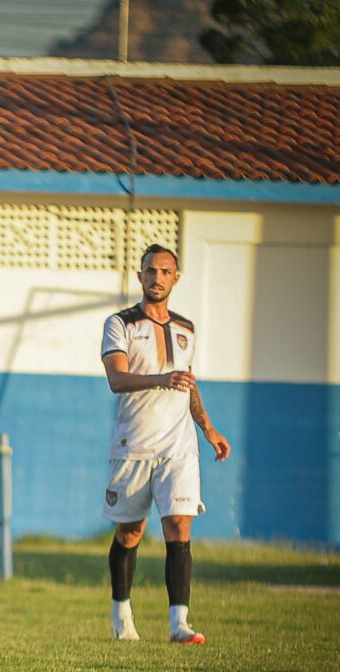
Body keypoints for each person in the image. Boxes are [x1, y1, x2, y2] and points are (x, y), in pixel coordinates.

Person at [100, 244, 230, 644]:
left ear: (176, 278)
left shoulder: (187, 328)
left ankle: (179, 624)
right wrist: (161, 379)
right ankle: (121, 613)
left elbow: (187, 382)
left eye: (165, 271)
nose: (157, 278)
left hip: (179, 447)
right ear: (140, 277)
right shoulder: (119, 323)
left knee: (179, 525)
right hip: (133, 443)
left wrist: (208, 429)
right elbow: (117, 380)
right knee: (130, 532)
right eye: (150, 271)